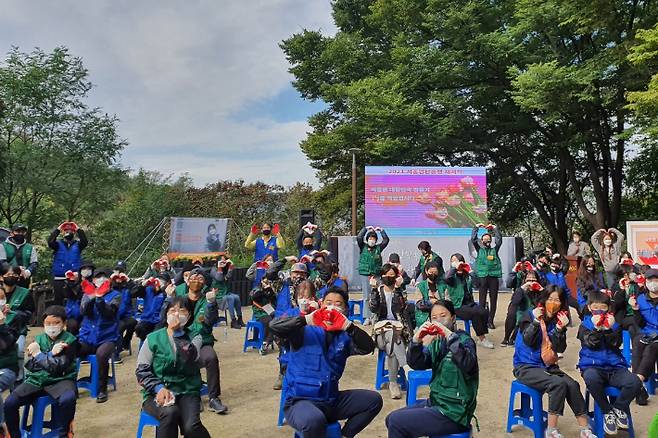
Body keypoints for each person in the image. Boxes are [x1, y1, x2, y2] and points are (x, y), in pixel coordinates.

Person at [269, 287, 383, 438]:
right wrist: (307, 319)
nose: (332, 307)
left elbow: (368, 347)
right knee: (314, 420)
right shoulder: (304, 331)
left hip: (331, 400)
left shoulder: (345, 337)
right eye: (328, 303)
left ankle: (344, 435)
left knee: (373, 400)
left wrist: (349, 327)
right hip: (301, 402)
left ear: (345, 310)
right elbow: (274, 326)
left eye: (338, 304)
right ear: (321, 305)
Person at [512, 286, 597, 438]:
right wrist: (536, 322)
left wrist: (559, 329)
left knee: (572, 384)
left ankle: (585, 429)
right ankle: (551, 430)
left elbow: (560, 349)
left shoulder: (557, 320)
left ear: (562, 303)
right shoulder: (529, 315)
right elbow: (529, 340)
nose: (553, 303)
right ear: (543, 300)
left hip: (547, 365)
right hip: (525, 366)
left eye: (557, 300)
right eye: (550, 299)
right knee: (557, 384)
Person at [385, 300, 478, 438]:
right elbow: (418, 364)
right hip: (437, 402)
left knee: (396, 422)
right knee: (391, 419)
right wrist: (416, 341)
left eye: (443, 315)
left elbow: (468, 364)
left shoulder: (465, 341)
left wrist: (449, 335)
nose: (439, 320)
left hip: (455, 412)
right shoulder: (437, 343)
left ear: (453, 318)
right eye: (434, 318)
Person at [136, 296, 211, 438]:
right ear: (166, 314)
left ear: (188, 316)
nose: (176, 314)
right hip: (157, 392)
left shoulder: (195, 337)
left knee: (191, 427)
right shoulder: (153, 338)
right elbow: (142, 371)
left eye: (182, 310)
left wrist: (178, 334)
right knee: (170, 413)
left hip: (187, 390)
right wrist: (158, 388)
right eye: (172, 310)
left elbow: (191, 357)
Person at [4, 305, 78, 438]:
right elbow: (31, 365)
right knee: (10, 403)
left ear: (64, 323)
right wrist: (50, 356)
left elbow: (58, 368)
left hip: (62, 380)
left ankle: (64, 433)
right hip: (37, 380)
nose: (52, 326)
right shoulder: (38, 339)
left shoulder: (70, 341)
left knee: (68, 399)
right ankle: (14, 435)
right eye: (48, 323)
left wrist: (40, 355)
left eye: (56, 323)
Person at [577, 290, 642, 435]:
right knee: (591, 378)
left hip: (615, 367)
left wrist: (608, 329)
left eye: (603, 307)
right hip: (592, 366)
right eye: (595, 307)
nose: (599, 310)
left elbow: (615, 343)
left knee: (635, 382)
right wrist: (596, 328)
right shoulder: (585, 325)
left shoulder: (614, 324)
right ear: (589, 308)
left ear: (608, 308)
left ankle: (618, 408)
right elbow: (591, 343)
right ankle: (607, 412)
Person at [171, 269, 228, 414]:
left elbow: (209, 322)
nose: (196, 280)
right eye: (193, 277)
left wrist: (211, 304)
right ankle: (192, 395)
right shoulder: (180, 299)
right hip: (181, 342)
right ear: (187, 281)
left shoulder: (207, 299)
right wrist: (168, 298)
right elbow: (166, 320)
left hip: (203, 341)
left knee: (211, 358)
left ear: (205, 284)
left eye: (201, 278)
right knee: (180, 359)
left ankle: (214, 398)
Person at [78, 268, 121, 403]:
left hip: (107, 337)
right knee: (72, 348)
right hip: (88, 336)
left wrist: (100, 299)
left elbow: (110, 312)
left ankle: (102, 388)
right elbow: (84, 311)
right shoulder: (87, 293)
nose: (101, 280)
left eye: (104, 277)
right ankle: (71, 385)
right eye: (98, 277)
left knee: (102, 355)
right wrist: (92, 297)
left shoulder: (116, 295)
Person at [369, 263, 411, 399]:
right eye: (387, 276)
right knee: (390, 334)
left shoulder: (400, 291)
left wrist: (398, 290)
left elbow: (400, 308)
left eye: (392, 276)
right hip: (380, 333)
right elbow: (373, 309)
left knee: (392, 347)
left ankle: (393, 383)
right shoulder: (378, 290)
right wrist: (374, 290)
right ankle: (406, 367)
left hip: (398, 332)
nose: (389, 278)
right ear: (382, 276)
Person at [444, 254, 494, 349]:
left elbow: (478, 284)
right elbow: (446, 278)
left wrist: (471, 272)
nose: (455, 262)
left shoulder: (466, 275)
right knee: (475, 314)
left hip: (469, 303)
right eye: (453, 261)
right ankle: (482, 339)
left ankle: (482, 336)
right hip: (457, 305)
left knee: (484, 311)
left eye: (457, 260)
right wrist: (454, 268)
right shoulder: (450, 275)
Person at [629, 268, 658, 406]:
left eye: (656, 280)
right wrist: (635, 310)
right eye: (650, 280)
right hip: (646, 333)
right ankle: (639, 388)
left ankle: (636, 383)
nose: (653, 283)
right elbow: (639, 323)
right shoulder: (641, 299)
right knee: (638, 344)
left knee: (652, 348)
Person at [1, 264, 34, 381]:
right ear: (1, 277)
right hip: (1, 331)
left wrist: (13, 313)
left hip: (18, 330)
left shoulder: (25, 293)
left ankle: (19, 382)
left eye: (14, 275)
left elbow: (29, 314)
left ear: (19, 277)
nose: (11, 277)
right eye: (8, 274)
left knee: (19, 353)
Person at [501, 268, 545, 346]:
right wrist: (522, 288)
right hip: (519, 310)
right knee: (512, 311)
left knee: (528, 315)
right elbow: (515, 301)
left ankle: (514, 338)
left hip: (532, 313)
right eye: (528, 280)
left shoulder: (539, 290)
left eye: (533, 280)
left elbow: (544, 303)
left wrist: (542, 290)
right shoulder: (521, 289)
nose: (531, 283)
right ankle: (506, 338)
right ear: (524, 281)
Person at [48, 221, 88, 306]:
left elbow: (84, 241)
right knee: (58, 301)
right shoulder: (58, 244)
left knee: (74, 299)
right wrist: (59, 229)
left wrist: (78, 229)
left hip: (74, 278)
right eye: (66, 231)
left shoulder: (78, 245)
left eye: (70, 231)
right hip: (59, 278)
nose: (68, 232)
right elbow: (50, 242)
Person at [471, 223, 502, 329]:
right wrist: (476, 228)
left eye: (488, 239)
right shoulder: (479, 250)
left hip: (493, 277)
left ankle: (490, 321)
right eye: (484, 239)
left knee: (493, 300)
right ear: (482, 241)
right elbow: (473, 240)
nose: (487, 240)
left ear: (491, 240)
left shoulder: (495, 250)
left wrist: (495, 228)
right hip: (482, 277)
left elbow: (499, 240)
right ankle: (483, 320)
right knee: (482, 301)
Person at [357, 226, 389, 324]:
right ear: (367, 239)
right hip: (365, 274)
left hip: (376, 275)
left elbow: (386, 240)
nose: (372, 240)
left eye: (374, 238)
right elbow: (359, 237)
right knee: (366, 296)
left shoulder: (378, 248)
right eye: (370, 238)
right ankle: (367, 317)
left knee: (377, 295)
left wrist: (382, 231)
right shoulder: (363, 247)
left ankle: (376, 316)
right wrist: (365, 229)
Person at [0, 288, 18, 437]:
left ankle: (2, 429)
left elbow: (6, 345)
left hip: (6, 368)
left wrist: (1, 325)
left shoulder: (12, 321)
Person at [210, 255, 244, 329]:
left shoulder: (225, 269)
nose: (223, 263)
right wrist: (219, 267)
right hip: (217, 296)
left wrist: (231, 266)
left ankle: (240, 318)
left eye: (224, 261)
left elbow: (228, 277)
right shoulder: (213, 270)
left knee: (236, 297)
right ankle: (233, 320)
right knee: (230, 298)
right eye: (221, 261)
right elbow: (219, 278)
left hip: (226, 293)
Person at [134, 274, 169, 343]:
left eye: (163, 281)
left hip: (160, 321)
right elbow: (134, 293)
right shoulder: (148, 289)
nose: (160, 282)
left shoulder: (167, 293)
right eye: (158, 280)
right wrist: (143, 285)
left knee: (155, 335)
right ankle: (143, 348)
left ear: (167, 283)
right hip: (146, 319)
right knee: (140, 329)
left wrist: (166, 293)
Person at [113, 271, 137, 362]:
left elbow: (136, 290)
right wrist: (111, 279)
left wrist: (128, 280)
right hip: (113, 316)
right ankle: (116, 351)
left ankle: (126, 342)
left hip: (125, 315)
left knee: (133, 322)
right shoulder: (111, 288)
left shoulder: (127, 289)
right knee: (120, 326)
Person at [414, 262, 446, 327]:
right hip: (424, 316)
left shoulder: (443, 286)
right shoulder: (420, 286)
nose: (433, 274)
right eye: (431, 272)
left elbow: (448, 301)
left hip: (440, 314)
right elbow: (418, 304)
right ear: (426, 271)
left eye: (435, 272)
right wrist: (429, 302)